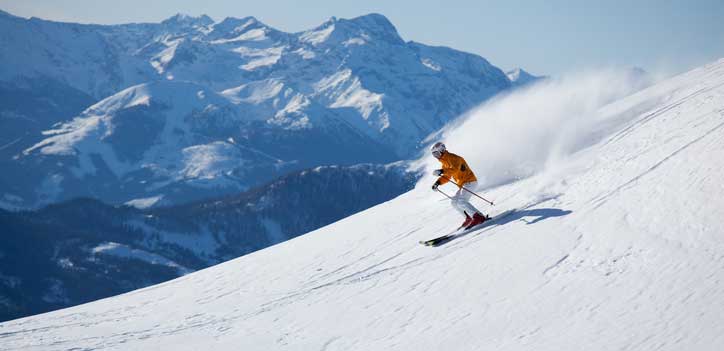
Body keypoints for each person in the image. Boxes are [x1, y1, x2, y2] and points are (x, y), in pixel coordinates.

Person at [430, 142, 487, 229]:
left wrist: (441, 171)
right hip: (463, 184)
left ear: (441, 150)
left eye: (436, 153)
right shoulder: (445, 162)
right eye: (434, 154)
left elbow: (454, 170)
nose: (436, 156)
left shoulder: (453, 158)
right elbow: (447, 176)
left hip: (470, 181)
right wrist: (437, 183)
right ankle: (468, 218)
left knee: (461, 201)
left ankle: (478, 217)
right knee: (454, 202)